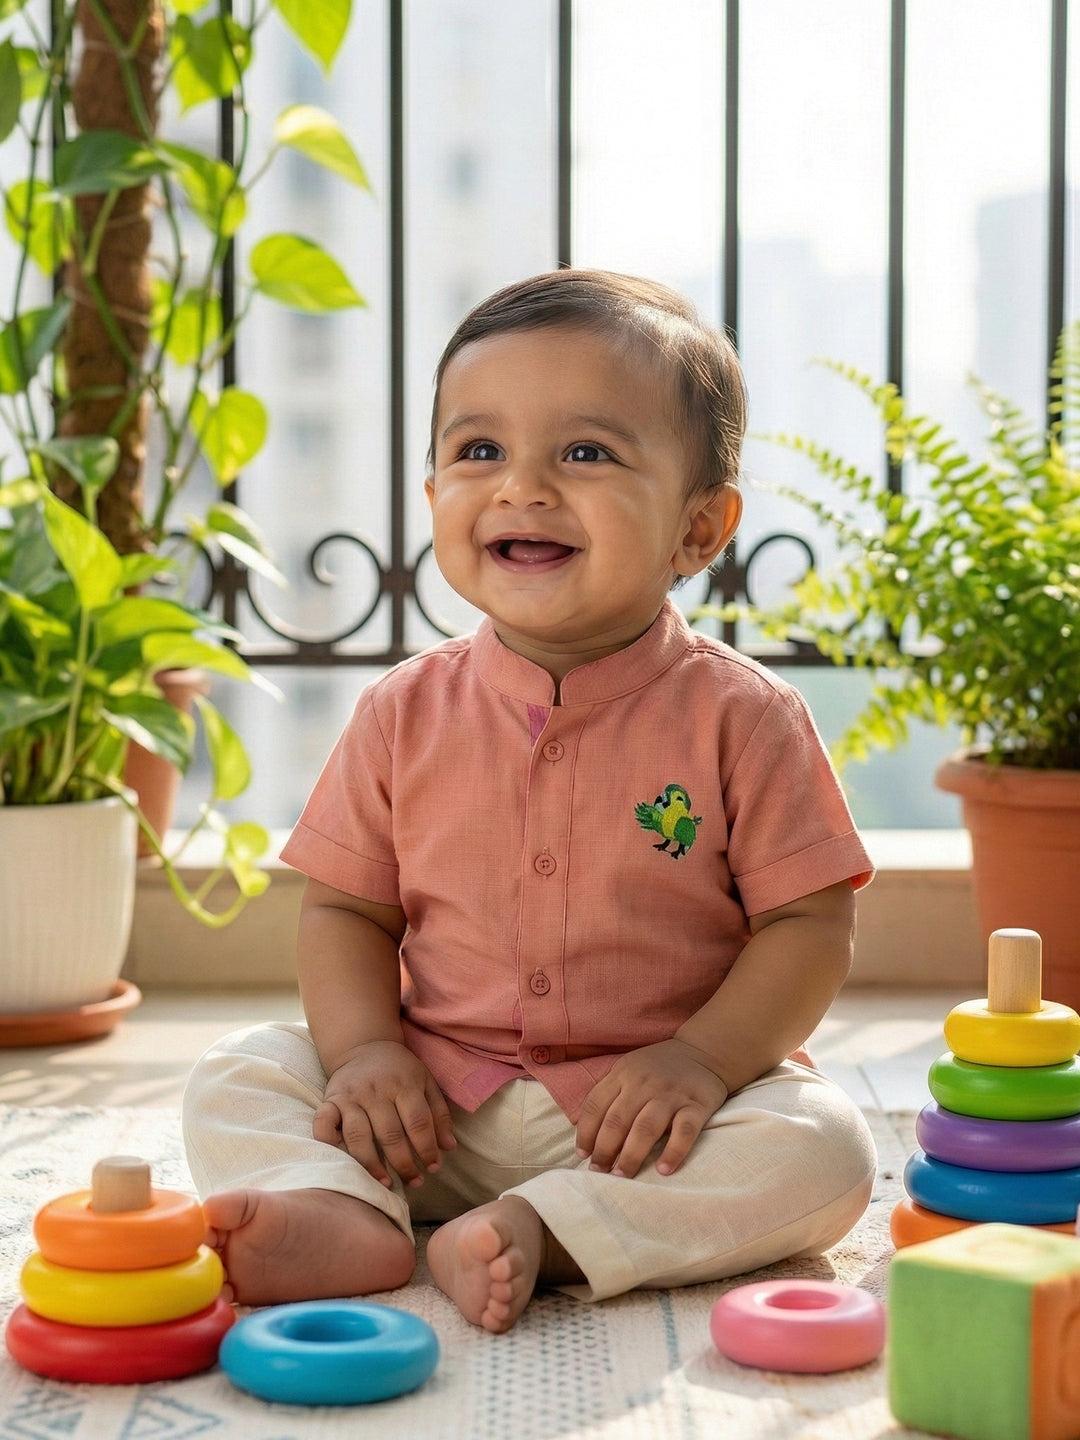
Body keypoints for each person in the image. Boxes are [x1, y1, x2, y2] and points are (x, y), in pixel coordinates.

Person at [182, 269, 877, 1334]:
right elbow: (345, 913)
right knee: (241, 1071)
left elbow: (809, 923)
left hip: (641, 1128)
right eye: (479, 452)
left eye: (586, 453)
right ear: (433, 502)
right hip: (427, 1115)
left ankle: (546, 1229)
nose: (522, 487)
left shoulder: (748, 718)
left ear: (701, 529)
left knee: (826, 1148)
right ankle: (347, 1212)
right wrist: (369, 1055)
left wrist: (700, 1064)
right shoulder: (402, 713)